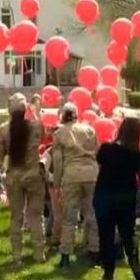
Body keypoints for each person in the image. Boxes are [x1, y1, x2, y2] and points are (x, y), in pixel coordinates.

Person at [94, 117, 140, 280]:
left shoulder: (107, 148)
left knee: (106, 234)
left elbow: (99, 160)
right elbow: (139, 171)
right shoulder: (139, 154)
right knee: (128, 234)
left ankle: (108, 271)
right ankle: (136, 269)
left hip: (105, 196)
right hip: (126, 198)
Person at [0, 94, 46, 264]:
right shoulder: (36, 126)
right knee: (35, 215)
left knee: (16, 216)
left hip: (14, 177)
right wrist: (35, 113)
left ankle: (17, 256)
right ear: (25, 109)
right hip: (33, 176)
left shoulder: (2, 130)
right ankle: (39, 254)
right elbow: (43, 136)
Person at [52, 103, 100, 267]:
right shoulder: (89, 129)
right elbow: (96, 151)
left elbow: (58, 162)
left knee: (69, 217)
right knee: (93, 214)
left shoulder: (59, 133)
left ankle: (65, 255)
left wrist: (56, 184)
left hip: (71, 175)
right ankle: (94, 252)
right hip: (91, 174)